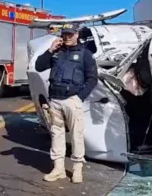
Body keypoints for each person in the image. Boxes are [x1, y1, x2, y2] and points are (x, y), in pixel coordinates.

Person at [35, 23, 98, 184]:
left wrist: (80, 97)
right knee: (57, 134)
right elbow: (39, 66)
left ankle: (77, 169)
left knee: (76, 136)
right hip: (55, 100)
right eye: (65, 34)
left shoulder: (85, 54)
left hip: (72, 100)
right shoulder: (56, 52)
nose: (67, 37)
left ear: (77, 34)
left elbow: (92, 79)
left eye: (71, 34)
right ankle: (58, 169)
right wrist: (50, 50)